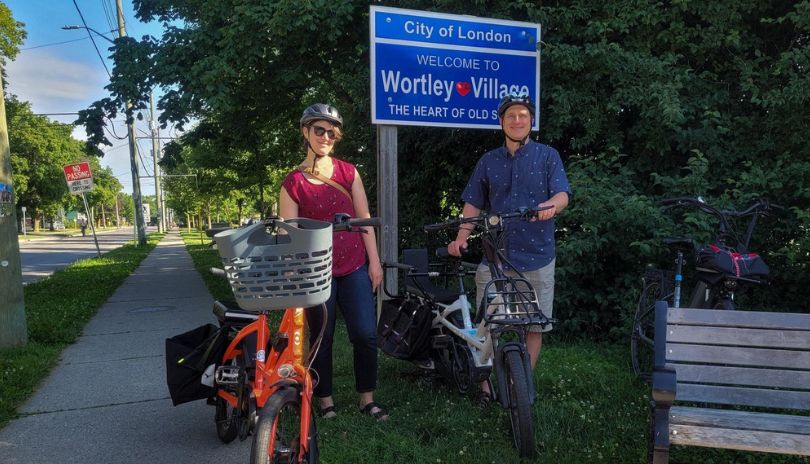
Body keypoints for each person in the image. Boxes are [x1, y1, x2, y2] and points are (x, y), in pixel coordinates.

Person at [447, 93, 571, 404]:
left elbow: (562, 194)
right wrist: (462, 237)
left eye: (523, 115)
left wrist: (550, 206)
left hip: (538, 256)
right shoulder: (488, 161)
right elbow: (473, 203)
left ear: (531, 121)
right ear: (501, 122)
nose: (518, 120)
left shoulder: (548, 157)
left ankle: (520, 381)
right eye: (511, 115)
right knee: (488, 324)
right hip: (496, 256)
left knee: (534, 326)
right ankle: (486, 383)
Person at [279, 103, 388, 421]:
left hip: (354, 264)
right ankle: (325, 399)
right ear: (306, 133)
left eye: (331, 132)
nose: (325, 137)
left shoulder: (348, 172)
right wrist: (293, 268)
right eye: (319, 130)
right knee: (321, 338)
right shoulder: (292, 182)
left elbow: (364, 219)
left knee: (365, 334)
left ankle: (366, 398)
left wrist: (375, 261)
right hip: (316, 271)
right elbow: (290, 233)